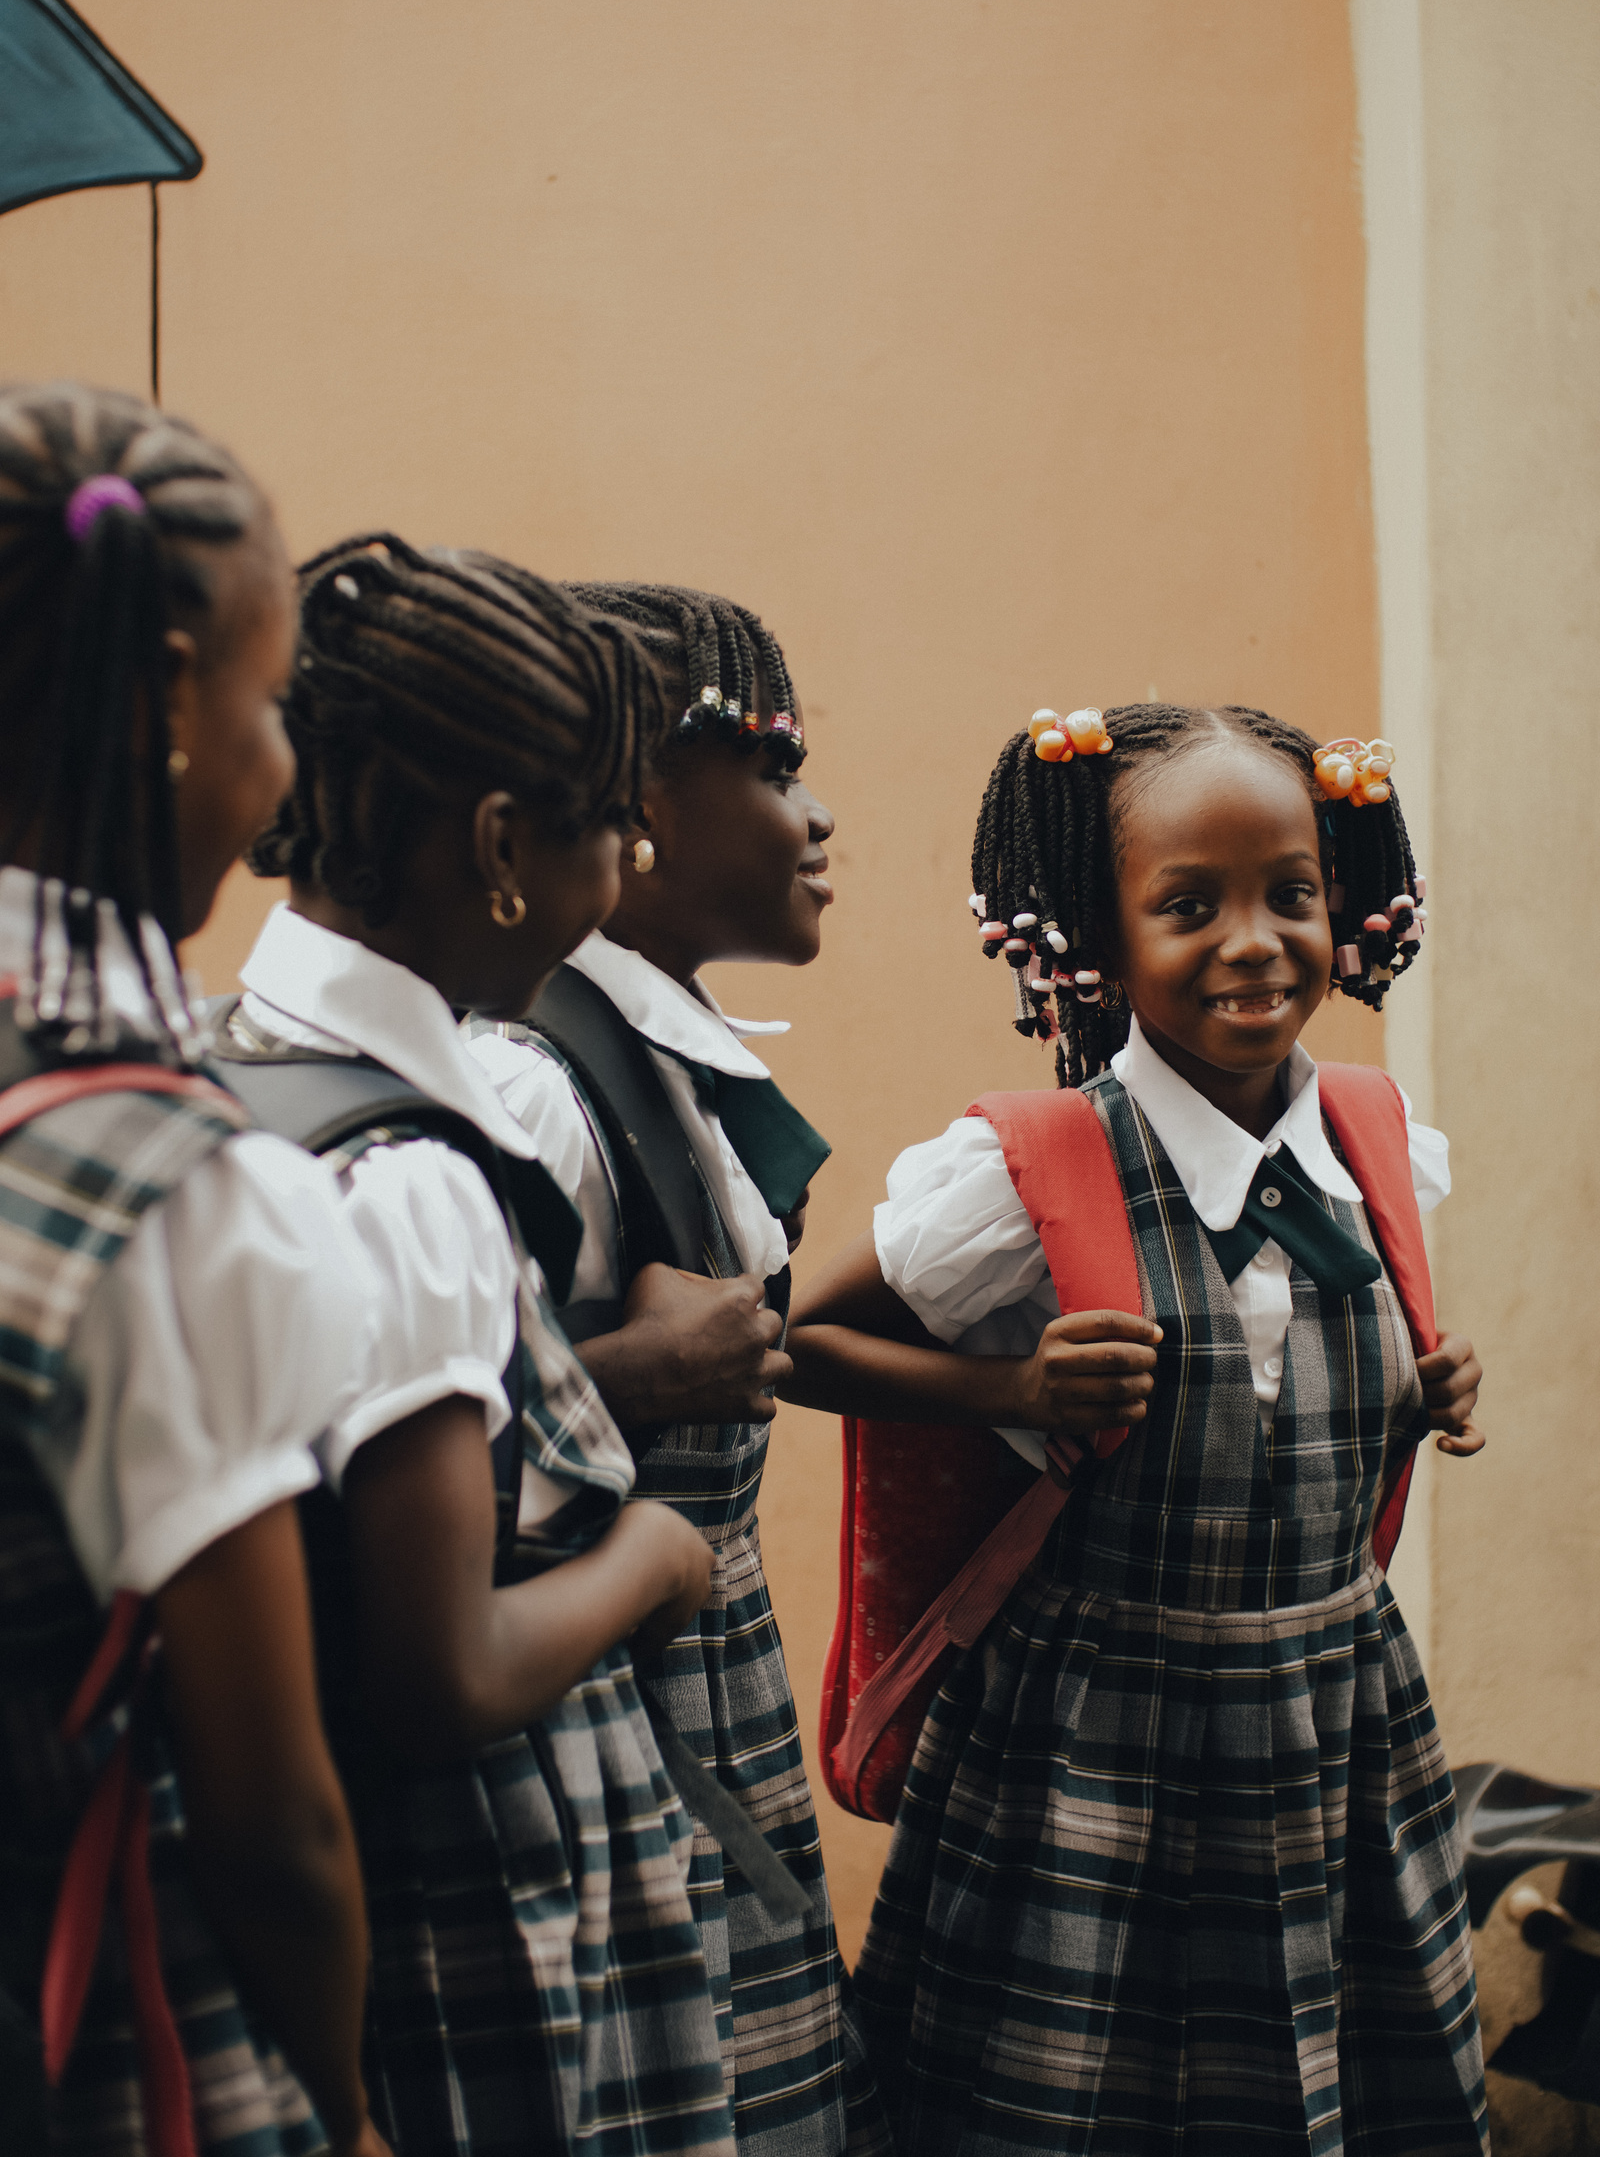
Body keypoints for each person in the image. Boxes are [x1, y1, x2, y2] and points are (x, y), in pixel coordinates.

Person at [788, 702, 1488, 2156]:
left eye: (1292, 894)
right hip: (1093, 1747)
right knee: (1074, 2103)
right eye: (1190, 905)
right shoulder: (1026, 1171)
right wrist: (1006, 1392)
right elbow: (789, 1337)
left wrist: (1415, 1391)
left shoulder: (1380, 1142)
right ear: (1092, 939)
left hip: (1335, 1718)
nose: (1255, 941)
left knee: (1331, 2085)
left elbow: (1289, 1378)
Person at [225, 533, 735, 2157]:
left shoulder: (237, 1065)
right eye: (609, 832)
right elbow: (441, 1674)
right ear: (506, 846)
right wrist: (653, 1558)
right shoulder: (416, 1186)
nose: (618, 879)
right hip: (476, 1910)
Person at [0, 382, 388, 2155]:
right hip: (88, 2012)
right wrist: (349, 2103)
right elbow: (268, 1817)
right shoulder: (173, 1201)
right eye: (270, 702)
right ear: (171, 700)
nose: (282, 765)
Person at [467, 584, 888, 2157]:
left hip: (709, 1712)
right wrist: (632, 1377)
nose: (819, 812)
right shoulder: (534, 1085)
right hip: (600, 1739)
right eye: (778, 770)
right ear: (637, 803)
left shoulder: (655, 1054)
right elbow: (415, 1421)